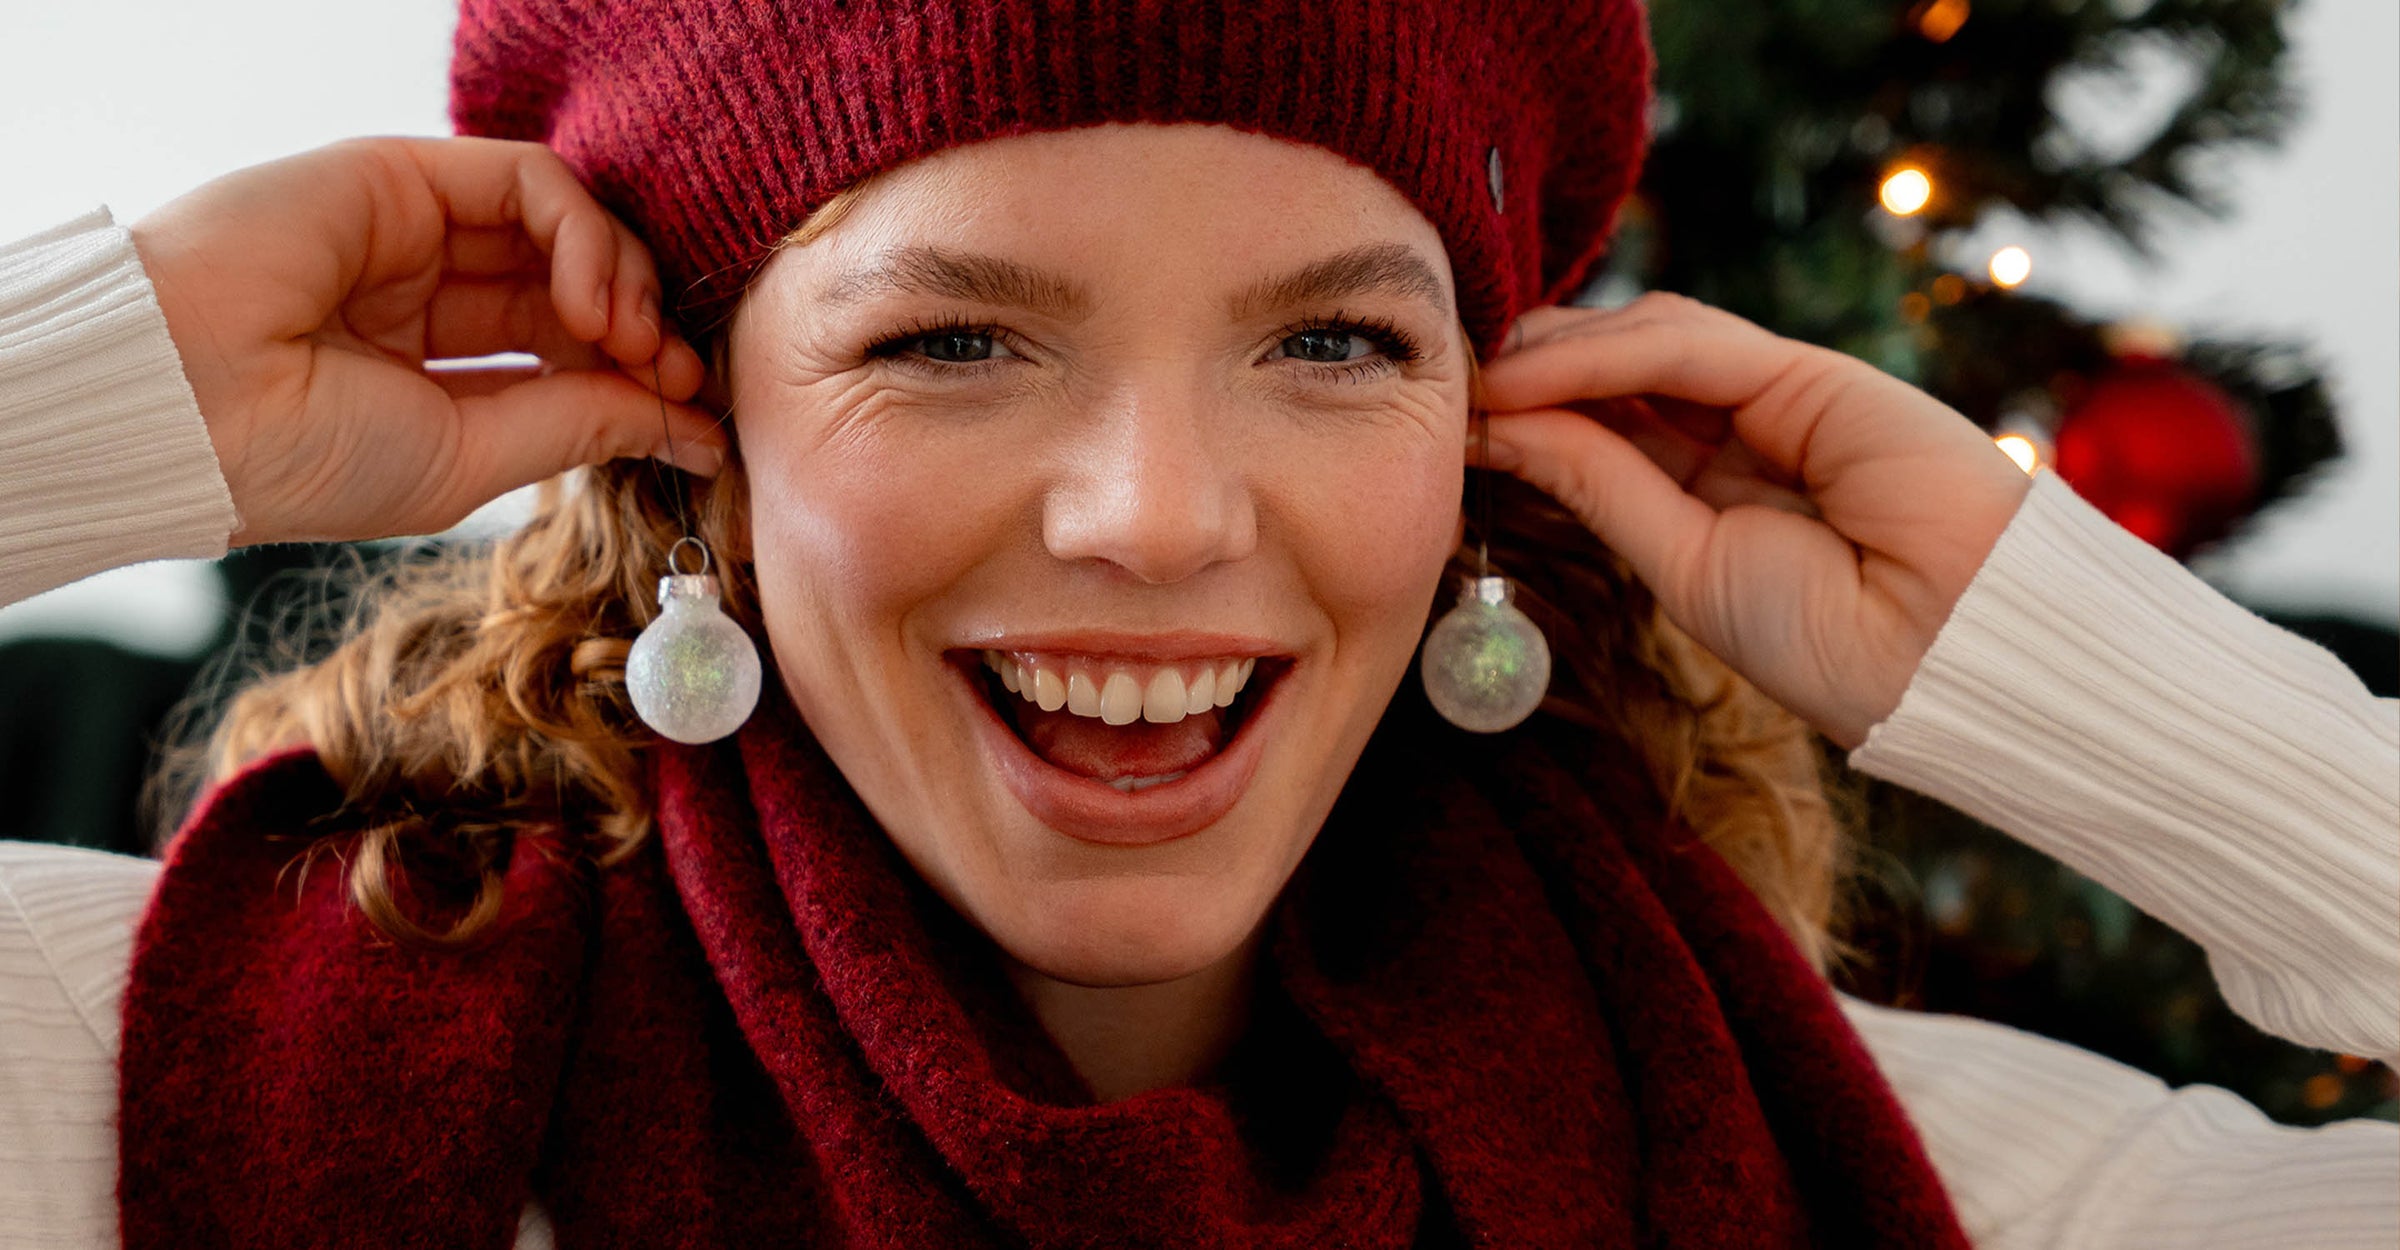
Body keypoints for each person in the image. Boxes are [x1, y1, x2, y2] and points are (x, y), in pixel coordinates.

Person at [1, 1, 2393, 1246]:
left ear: (1482, 434)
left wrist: (2076, 671)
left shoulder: (1930, 1182)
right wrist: (121, 384)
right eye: (951, 339)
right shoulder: (127, 1087)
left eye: (1336, 343)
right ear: (693, 429)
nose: (1154, 517)